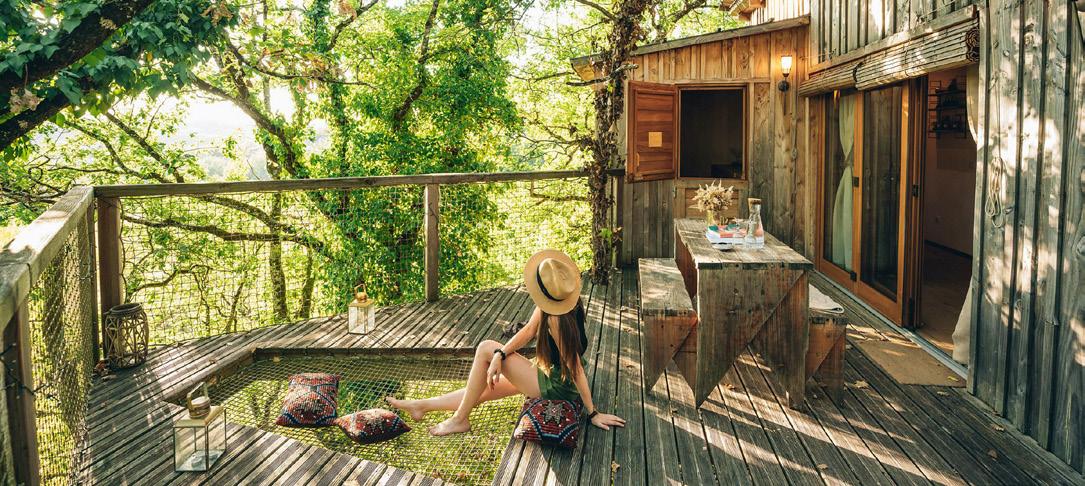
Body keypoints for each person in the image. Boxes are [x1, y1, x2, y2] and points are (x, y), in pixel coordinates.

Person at [387, 249, 626, 436]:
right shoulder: (562, 301)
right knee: (481, 388)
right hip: (552, 374)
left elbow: (575, 368)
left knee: (485, 348)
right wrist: (501, 355)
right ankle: (423, 406)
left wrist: (593, 413)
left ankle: (459, 419)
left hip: (559, 386)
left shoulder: (555, 318)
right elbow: (529, 330)